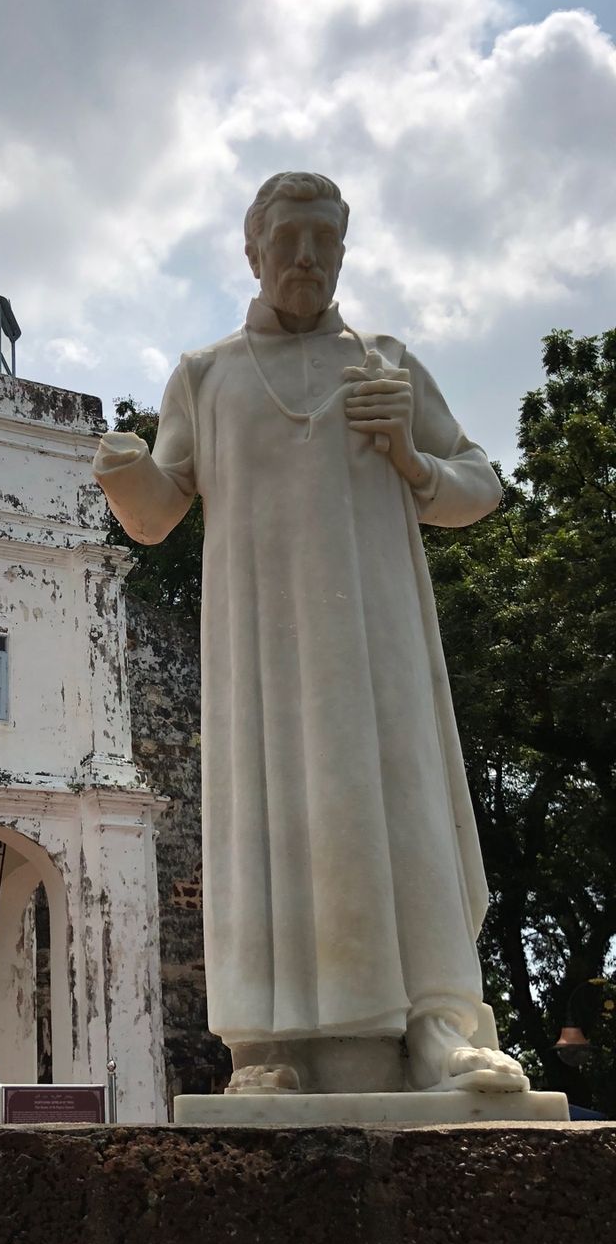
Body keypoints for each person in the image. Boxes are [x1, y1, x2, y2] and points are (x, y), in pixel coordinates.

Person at [95, 171, 527, 1097]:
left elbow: (480, 485)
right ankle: (267, 1044)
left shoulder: (385, 360)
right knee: (270, 815)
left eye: (324, 241)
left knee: (399, 802)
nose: (306, 258)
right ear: (253, 252)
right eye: (288, 239)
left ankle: (439, 1024)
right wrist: (126, 476)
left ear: (343, 249)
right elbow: (161, 510)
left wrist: (412, 452)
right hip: (262, 651)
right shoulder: (206, 375)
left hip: (379, 639)